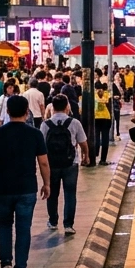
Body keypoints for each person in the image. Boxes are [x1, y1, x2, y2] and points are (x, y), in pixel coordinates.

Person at [0, 95, 50, 268]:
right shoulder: (35, 134)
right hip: (27, 187)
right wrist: (47, 183)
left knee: (4, 224)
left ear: (8, 111)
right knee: (23, 228)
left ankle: (5, 263)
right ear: (27, 112)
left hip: (3, 187)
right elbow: (43, 162)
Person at [41, 95, 89, 236]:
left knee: (52, 193)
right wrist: (86, 156)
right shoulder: (74, 123)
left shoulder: (45, 124)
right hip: (71, 164)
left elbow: (41, 147)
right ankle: (68, 225)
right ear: (67, 106)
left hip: (51, 165)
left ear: (52, 107)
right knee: (70, 194)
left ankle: (53, 221)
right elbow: (83, 142)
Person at [93, 83, 113, 165]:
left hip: (96, 118)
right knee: (105, 139)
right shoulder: (107, 95)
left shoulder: (93, 95)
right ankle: (103, 160)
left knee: (96, 138)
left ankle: (94, 155)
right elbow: (110, 107)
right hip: (106, 118)